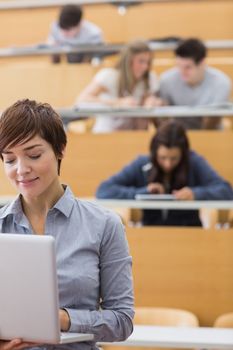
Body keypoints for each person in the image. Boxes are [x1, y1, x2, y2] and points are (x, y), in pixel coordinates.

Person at [0, 99, 134, 350]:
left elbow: (122, 321)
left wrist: (63, 318)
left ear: (60, 149)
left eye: (34, 155)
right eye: (9, 160)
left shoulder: (104, 224)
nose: (21, 169)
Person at [96, 120, 233, 226]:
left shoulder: (194, 162)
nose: (168, 164)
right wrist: (145, 193)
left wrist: (196, 194)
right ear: (154, 153)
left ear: (183, 154)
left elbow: (226, 191)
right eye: (163, 158)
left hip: (190, 234)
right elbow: (104, 190)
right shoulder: (142, 163)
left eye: (174, 158)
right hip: (151, 234)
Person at [77, 40, 163, 132]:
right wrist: (117, 102)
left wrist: (152, 102)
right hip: (106, 133)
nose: (145, 67)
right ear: (128, 60)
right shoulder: (109, 75)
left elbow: (150, 105)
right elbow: (82, 100)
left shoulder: (150, 78)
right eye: (141, 61)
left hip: (133, 135)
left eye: (148, 62)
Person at [159, 38, 232, 129]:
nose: (182, 72)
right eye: (178, 66)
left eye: (188, 67)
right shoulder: (166, 80)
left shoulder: (221, 83)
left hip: (210, 135)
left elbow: (212, 121)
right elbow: (163, 118)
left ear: (202, 63)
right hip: (177, 135)